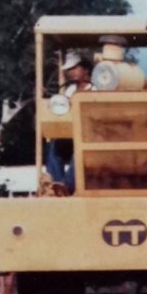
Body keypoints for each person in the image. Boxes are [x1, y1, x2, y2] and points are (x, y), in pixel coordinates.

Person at [45, 51, 93, 190]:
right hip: (71, 133)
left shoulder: (96, 89)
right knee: (54, 145)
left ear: (86, 69)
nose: (70, 72)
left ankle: (67, 185)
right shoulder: (69, 91)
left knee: (79, 150)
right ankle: (56, 183)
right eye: (68, 70)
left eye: (74, 68)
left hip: (89, 137)